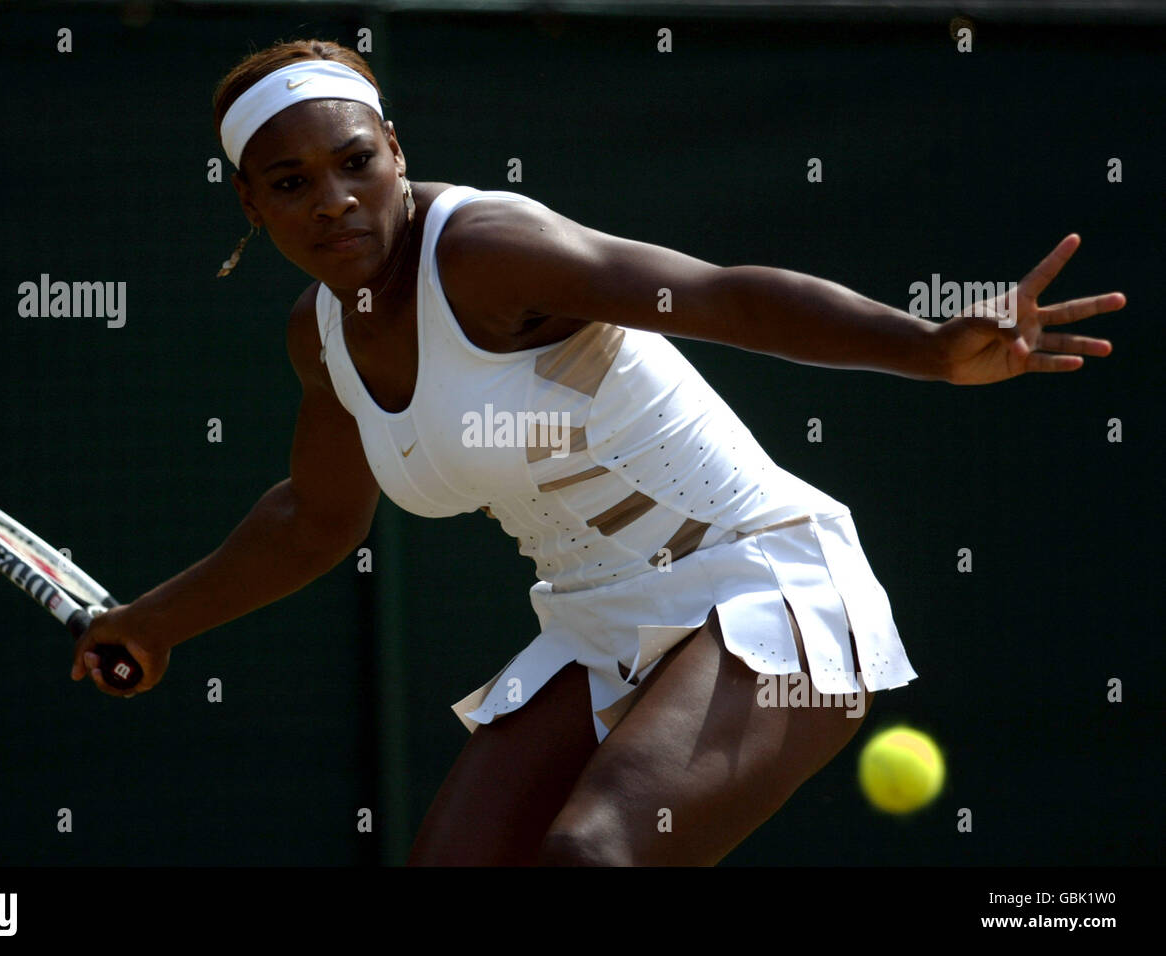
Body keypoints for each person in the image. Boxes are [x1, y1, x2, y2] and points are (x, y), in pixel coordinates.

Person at [71, 39, 1122, 865]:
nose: (335, 198)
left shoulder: (486, 251)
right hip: (599, 626)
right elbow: (313, 518)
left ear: (394, 147)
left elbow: (716, 295)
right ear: (251, 203)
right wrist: (153, 623)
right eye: (291, 181)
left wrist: (926, 348)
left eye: (356, 162)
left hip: (768, 585)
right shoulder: (321, 338)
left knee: (595, 854)